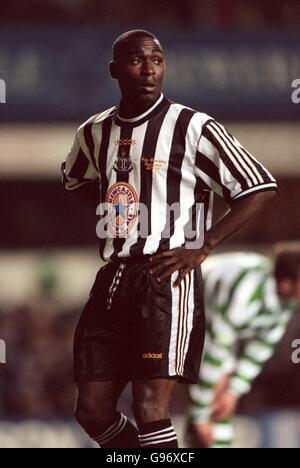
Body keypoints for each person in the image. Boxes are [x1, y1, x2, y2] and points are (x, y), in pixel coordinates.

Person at [61, 29, 278, 448]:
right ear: (114, 70)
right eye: (137, 61)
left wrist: (205, 244)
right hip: (113, 278)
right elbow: (73, 178)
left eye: (157, 61)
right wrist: (120, 214)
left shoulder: (193, 126)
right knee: (91, 410)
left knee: (149, 408)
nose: (149, 70)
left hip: (167, 278)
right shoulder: (94, 131)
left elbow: (258, 186)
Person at [188, 244, 300, 449]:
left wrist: (233, 391)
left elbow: (258, 351)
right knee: (215, 396)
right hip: (190, 304)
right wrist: (201, 414)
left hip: (216, 321)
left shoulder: (285, 302)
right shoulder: (243, 296)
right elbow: (214, 353)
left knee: (223, 403)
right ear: (286, 284)